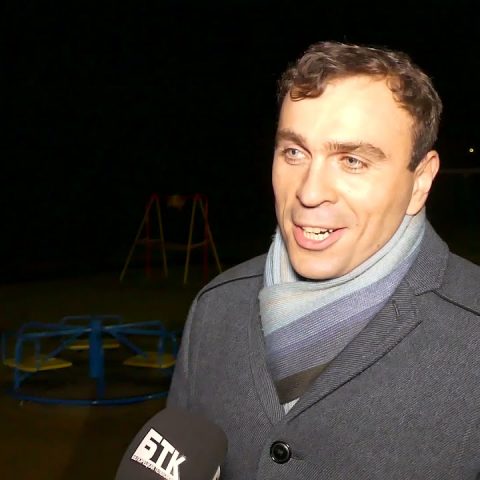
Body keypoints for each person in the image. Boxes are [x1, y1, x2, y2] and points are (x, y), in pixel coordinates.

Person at [167, 41, 480, 479]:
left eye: (352, 161)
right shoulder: (215, 309)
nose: (309, 192)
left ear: (421, 181)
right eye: (294, 152)